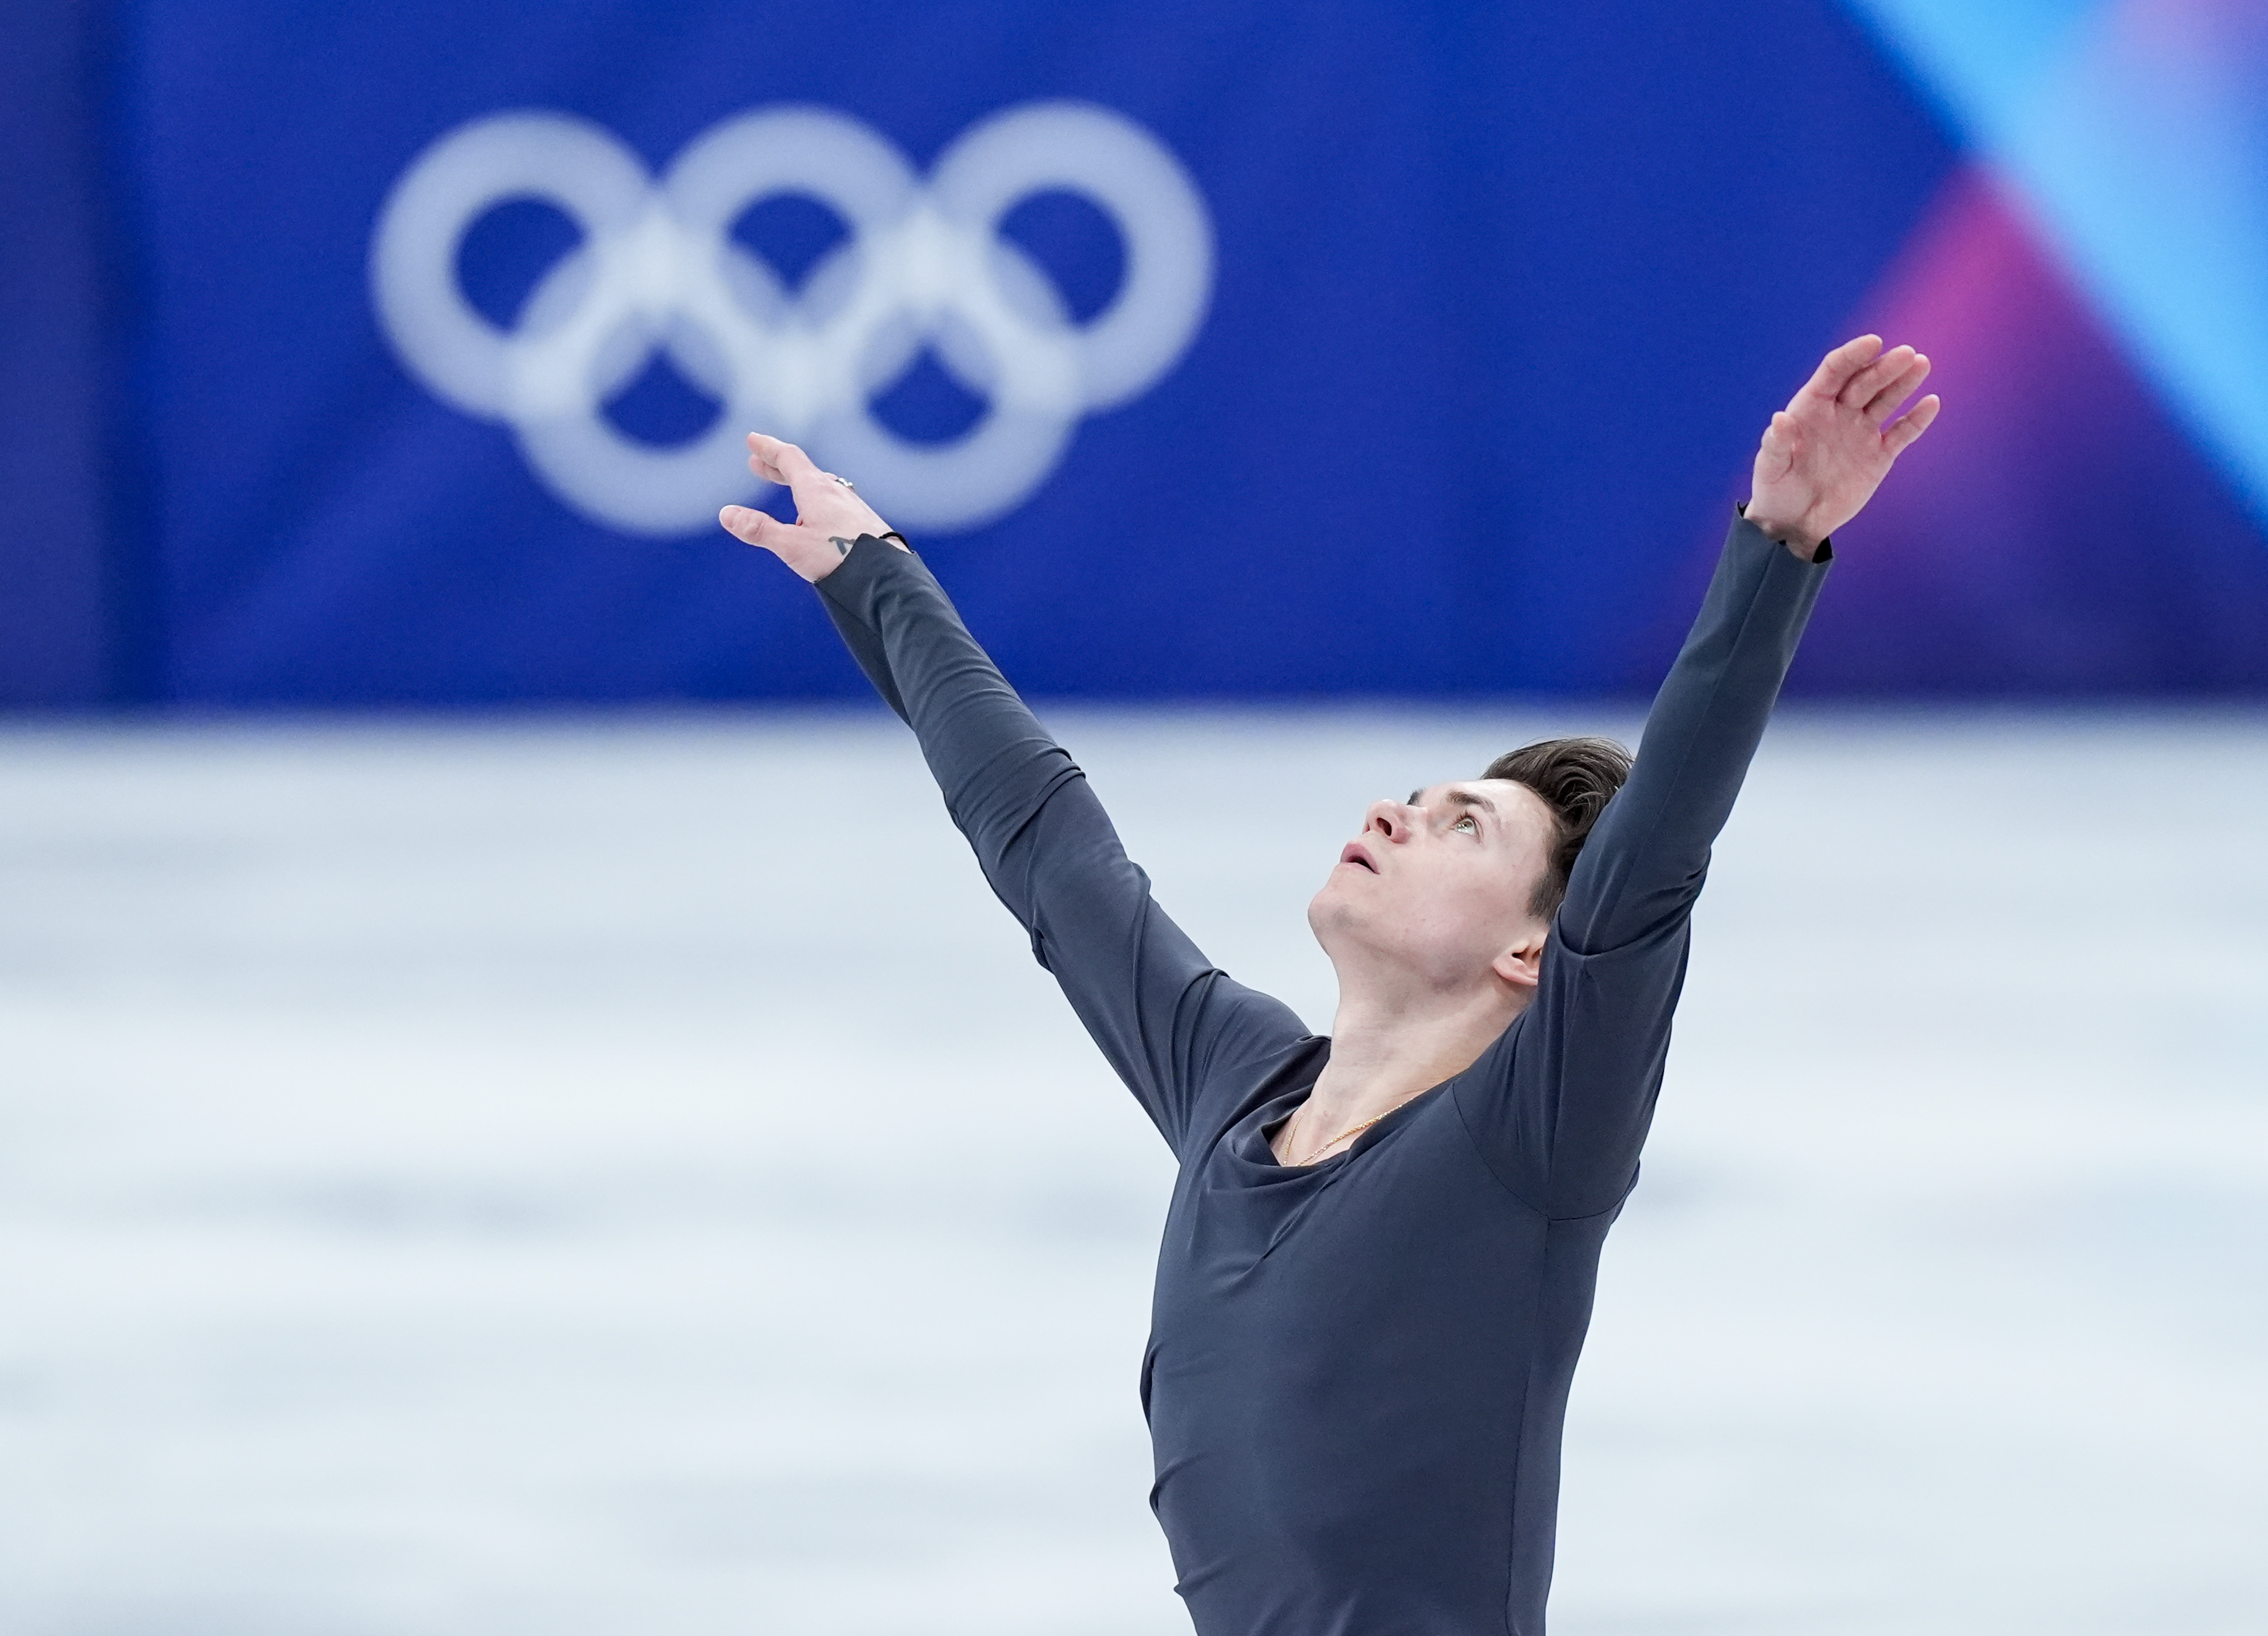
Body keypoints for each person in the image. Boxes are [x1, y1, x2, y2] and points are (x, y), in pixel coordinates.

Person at [720, 335, 1940, 1636]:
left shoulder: (1528, 1143)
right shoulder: (1231, 1082)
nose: (1397, 813)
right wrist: (878, 578)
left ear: (1532, 951)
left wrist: (1778, 540)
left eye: (1463, 825)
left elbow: (1653, 863)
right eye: (1419, 799)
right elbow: (1047, 846)